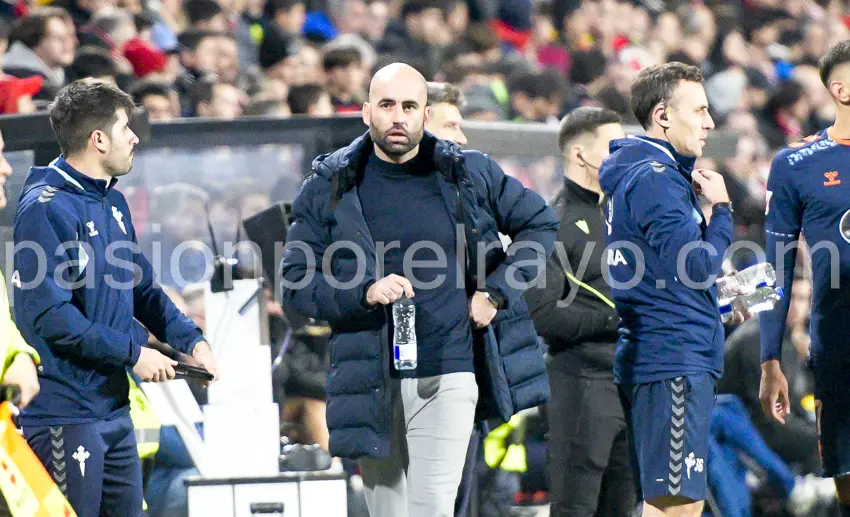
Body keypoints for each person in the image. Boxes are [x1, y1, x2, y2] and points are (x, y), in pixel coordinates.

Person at [280, 63, 557, 517]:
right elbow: (295, 283)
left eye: (409, 106)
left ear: (426, 115)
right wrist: (363, 293)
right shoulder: (329, 185)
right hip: (370, 377)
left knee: (431, 510)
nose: (398, 116)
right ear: (366, 111)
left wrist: (495, 293)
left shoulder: (466, 172)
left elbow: (541, 223)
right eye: (387, 105)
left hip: (447, 371)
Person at [11, 79, 219, 517]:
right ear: (98, 139)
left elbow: (142, 289)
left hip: (113, 409)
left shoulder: (113, 203)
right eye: (127, 128)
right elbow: (51, 317)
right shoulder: (44, 209)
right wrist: (134, 353)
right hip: (65, 415)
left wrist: (191, 339)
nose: (135, 138)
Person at [598, 62, 734, 517]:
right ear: (662, 116)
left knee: (668, 505)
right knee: (675, 508)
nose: (709, 122)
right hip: (673, 359)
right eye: (699, 110)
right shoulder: (656, 177)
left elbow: (668, 272)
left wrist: (718, 302)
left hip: (666, 354)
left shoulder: (644, 175)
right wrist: (722, 212)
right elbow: (696, 264)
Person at [525, 106, 634, 517]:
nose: (623, 155)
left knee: (622, 507)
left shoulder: (625, 216)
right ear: (580, 155)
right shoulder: (552, 223)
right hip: (581, 382)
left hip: (628, 380)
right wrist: (617, 318)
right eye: (613, 147)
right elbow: (543, 314)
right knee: (576, 507)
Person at [759, 40, 850, 517]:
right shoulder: (797, 165)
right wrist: (769, 358)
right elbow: (777, 268)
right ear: (841, 88)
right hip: (839, 347)